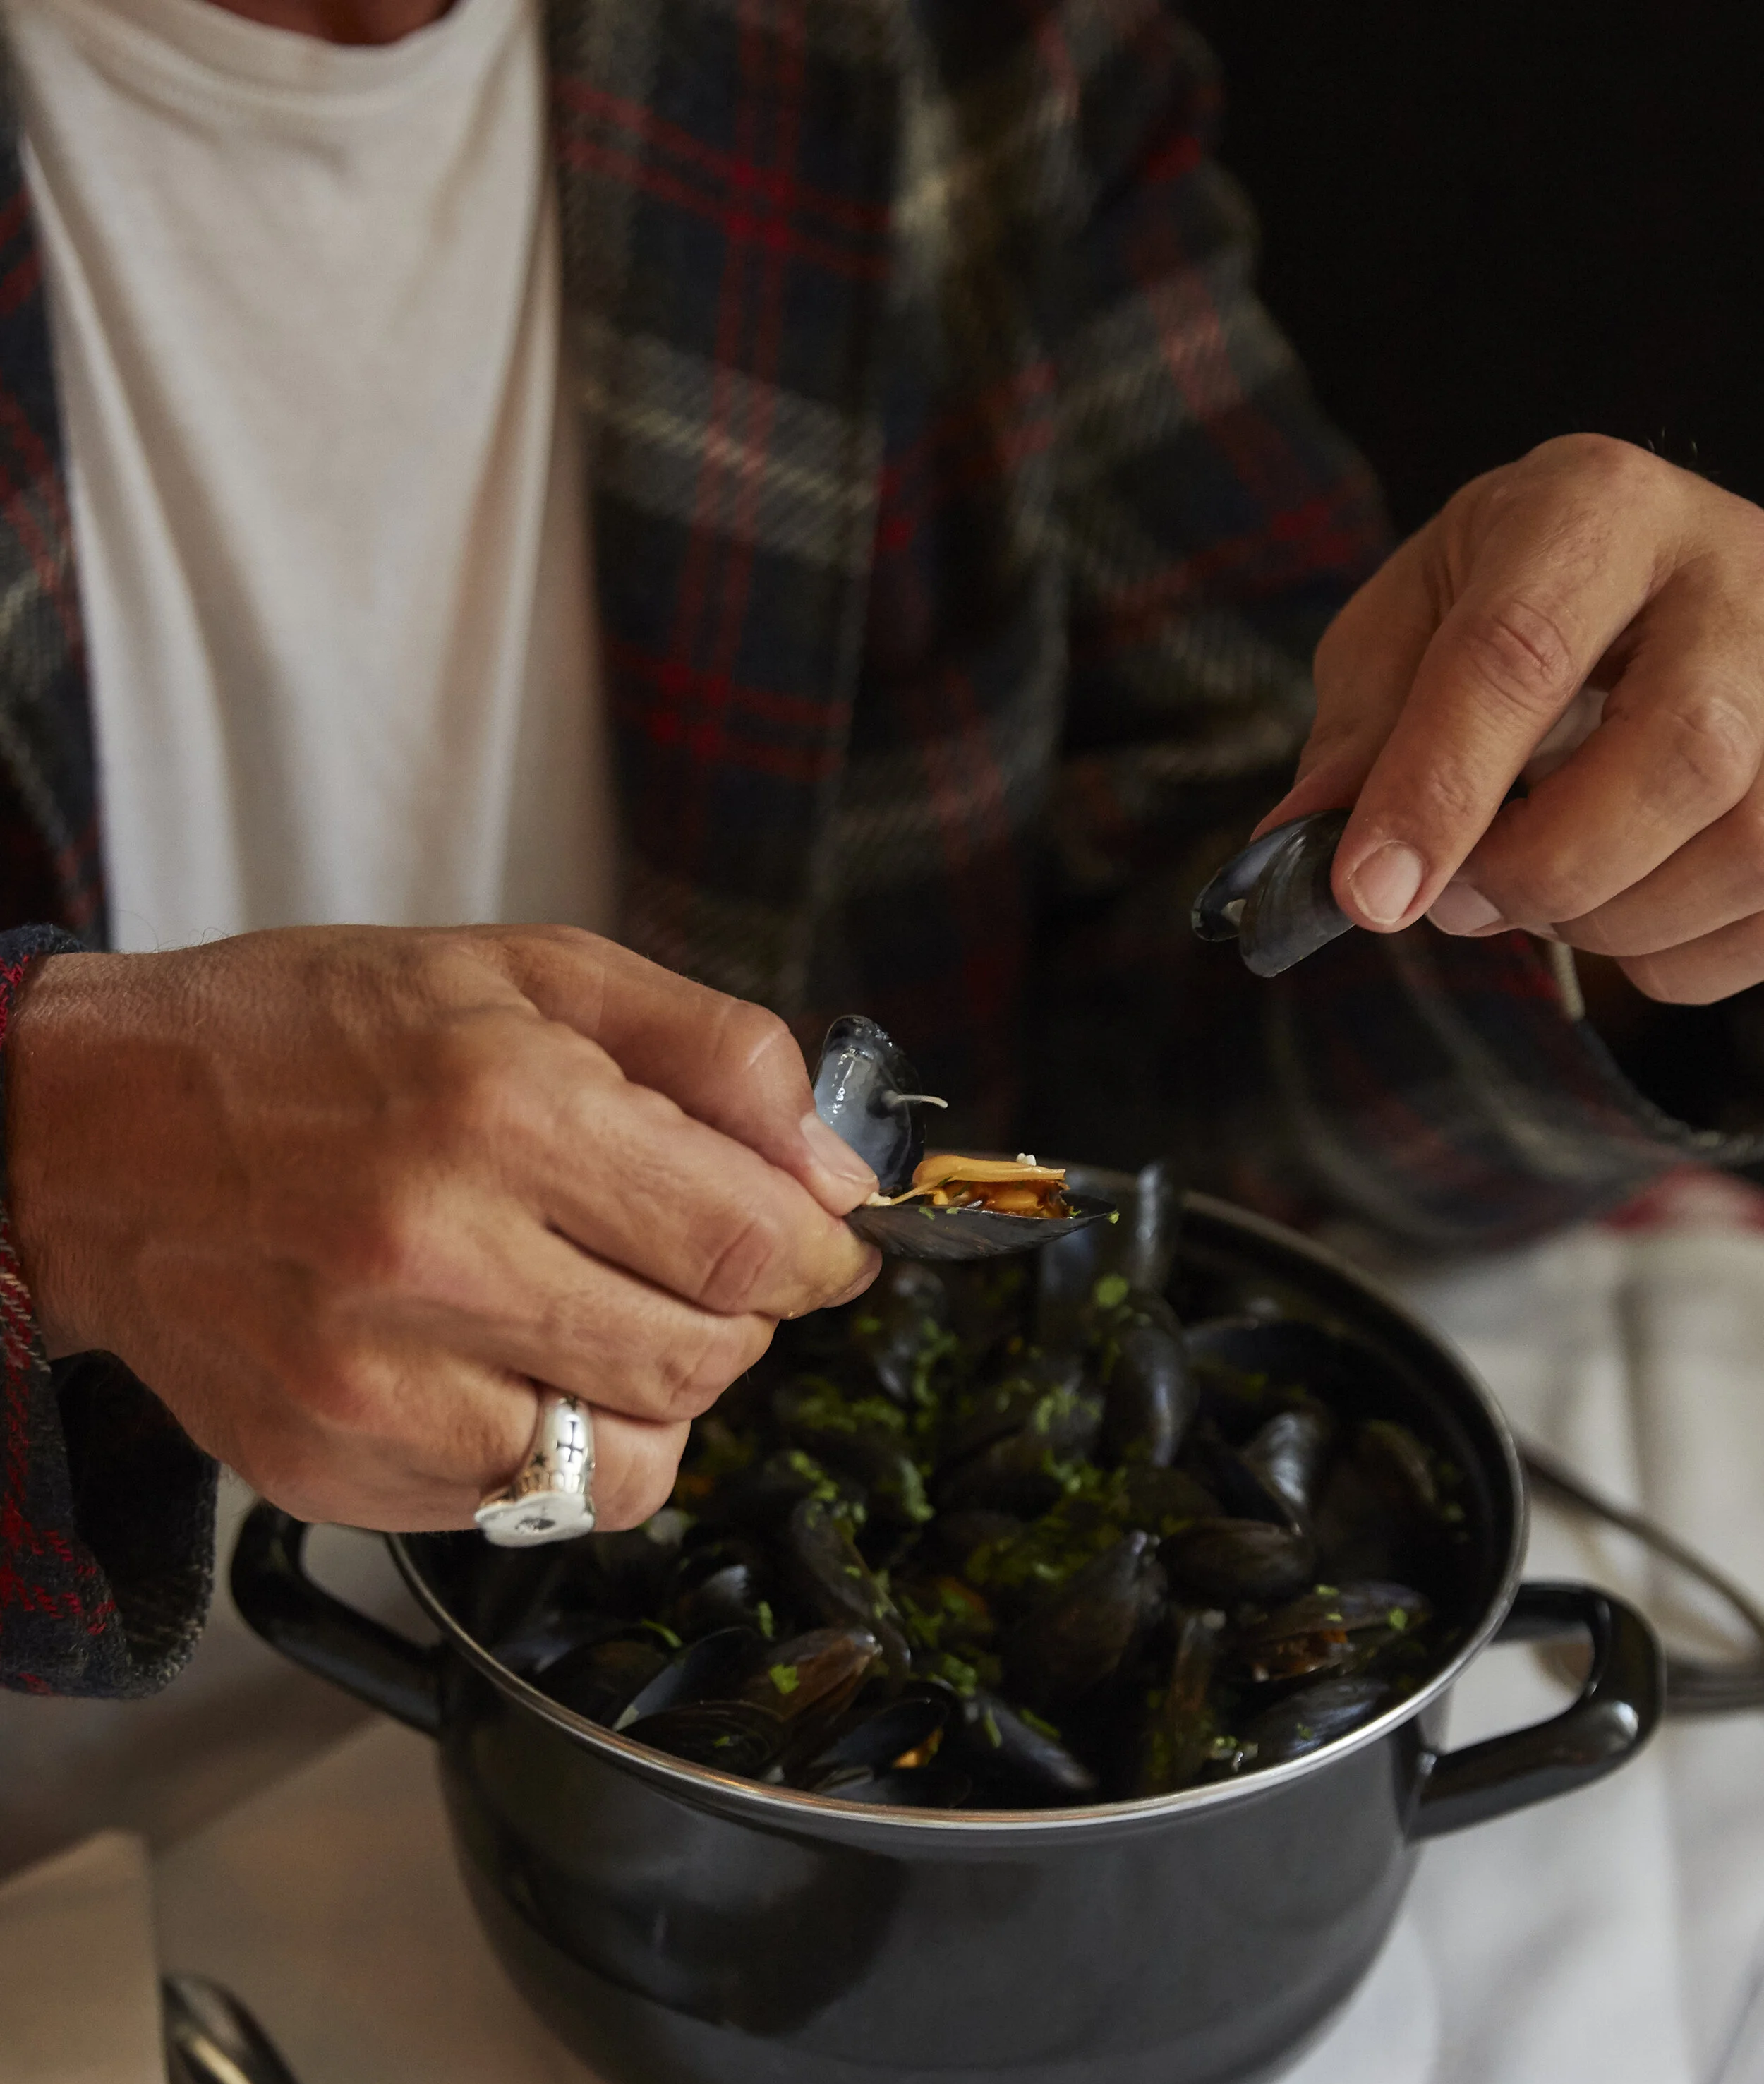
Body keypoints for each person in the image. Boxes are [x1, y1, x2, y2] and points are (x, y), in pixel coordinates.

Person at [4, 0, 1764, 1708]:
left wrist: (1597, 863)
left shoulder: (976, 59)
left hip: (636, 1706)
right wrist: (60, 1145)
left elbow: (1210, 1015)